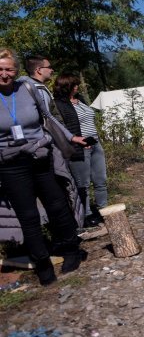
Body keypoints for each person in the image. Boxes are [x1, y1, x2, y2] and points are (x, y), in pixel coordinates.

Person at [0, 48, 87, 285]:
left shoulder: (27, 89)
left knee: (57, 205)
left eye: (9, 69)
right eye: (0, 69)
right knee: (28, 216)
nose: (5, 74)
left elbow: (49, 118)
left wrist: (71, 138)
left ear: (16, 71)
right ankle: (43, 266)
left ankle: (71, 252)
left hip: (40, 156)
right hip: (10, 165)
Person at [52, 74, 108, 228]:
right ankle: (86, 216)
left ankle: (104, 211)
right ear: (65, 86)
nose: (77, 87)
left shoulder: (81, 100)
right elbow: (62, 128)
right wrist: (77, 141)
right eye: (74, 84)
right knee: (82, 184)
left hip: (95, 143)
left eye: (77, 84)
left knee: (100, 180)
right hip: (79, 147)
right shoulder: (59, 105)